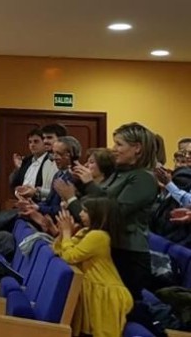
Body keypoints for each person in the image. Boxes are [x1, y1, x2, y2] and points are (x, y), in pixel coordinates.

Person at [71, 122, 158, 301]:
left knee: (125, 309)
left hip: (129, 254)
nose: (114, 149)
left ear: (137, 148)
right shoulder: (119, 173)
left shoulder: (143, 178)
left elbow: (115, 211)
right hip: (112, 248)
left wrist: (89, 184)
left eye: (119, 144)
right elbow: (93, 203)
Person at [53, 199, 134, 337]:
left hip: (106, 294)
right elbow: (59, 251)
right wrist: (63, 233)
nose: (80, 214)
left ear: (98, 214)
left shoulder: (99, 236)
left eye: (85, 211)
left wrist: (66, 233)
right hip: (94, 290)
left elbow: (70, 256)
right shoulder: (86, 232)